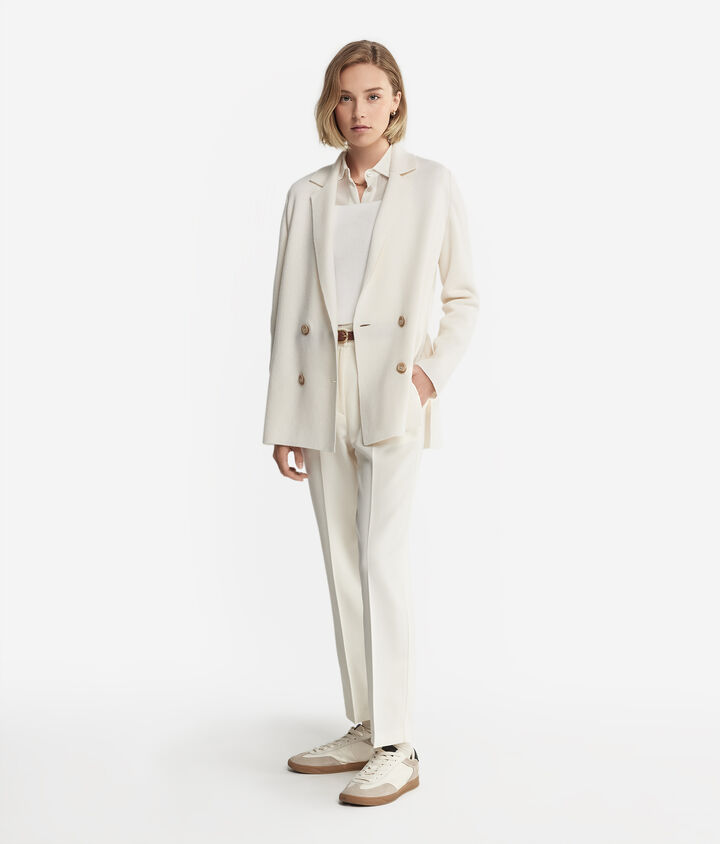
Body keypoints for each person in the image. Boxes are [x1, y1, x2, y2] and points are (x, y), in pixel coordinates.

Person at [262, 40, 479, 806]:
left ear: (397, 102)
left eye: (374, 95)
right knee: (343, 563)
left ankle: (398, 744)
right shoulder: (307, 194)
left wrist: (428, 375)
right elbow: (288, 312)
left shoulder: (431, 185)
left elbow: (464, 297)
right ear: (332, 104)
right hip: (323, 393)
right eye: (346, 96)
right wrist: (284, 417)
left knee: (382, 559)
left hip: (393, 393)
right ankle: (366, 724)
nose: (359, 110)